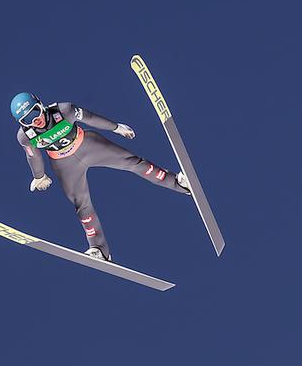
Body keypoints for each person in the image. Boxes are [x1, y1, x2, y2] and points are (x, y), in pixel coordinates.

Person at [10, 92, 191, 261]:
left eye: (35, 112)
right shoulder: (26, 136)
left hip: (88, 146)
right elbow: (32, 155)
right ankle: (99, 250)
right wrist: (39, 177)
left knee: (132, 162)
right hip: (65, 165)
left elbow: (90, 117)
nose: (36, 120)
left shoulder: (63, 110)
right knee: (81, 204)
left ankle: (178, 182)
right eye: (27, 120)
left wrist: (116, 127)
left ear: (41, 105)